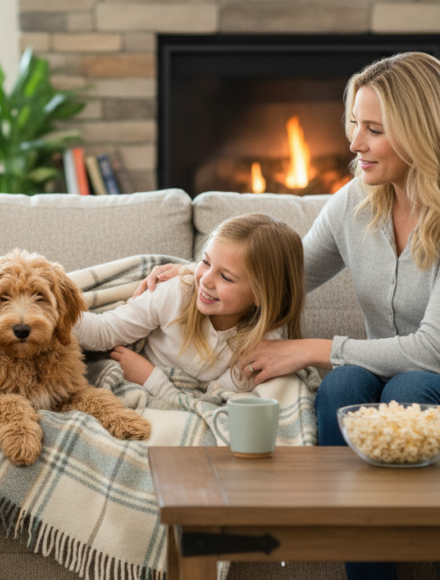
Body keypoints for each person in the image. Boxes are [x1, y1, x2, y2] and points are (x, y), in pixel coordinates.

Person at [135, 52, 440, 580]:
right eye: (353, 126)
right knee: (342, 388)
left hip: (426, 376)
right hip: (384, 374)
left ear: (419, 132)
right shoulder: (355, 204)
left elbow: (430, 350)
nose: (354, 145)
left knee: (403, 388)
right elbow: (279, 275)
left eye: (373, 130)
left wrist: (309, 348)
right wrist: (196, 275)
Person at [74, 214, 305, 400]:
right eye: (205, 262)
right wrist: (54, 313)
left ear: (260, 295)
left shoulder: (265, 347)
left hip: (156, 385)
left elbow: (213, 402)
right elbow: (104, 331)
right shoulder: (177, 292)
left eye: (226, 277)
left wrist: (150, 378)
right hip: (130, 372)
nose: (205, 280)